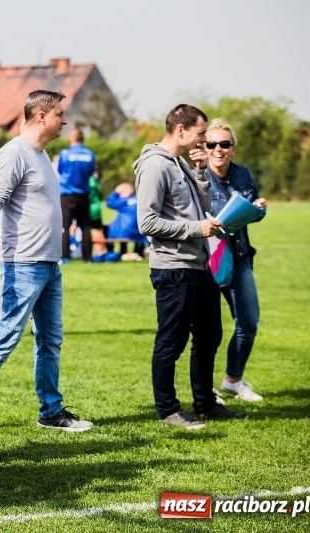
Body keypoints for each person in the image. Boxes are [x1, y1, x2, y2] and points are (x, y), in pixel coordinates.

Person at [0, 90, 93, 433]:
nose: (64, 121)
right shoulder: (14, 154)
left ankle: (50, 412)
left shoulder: (42, 155)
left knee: (51, 339)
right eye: (60, 114)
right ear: (41, 116)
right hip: (22, 263)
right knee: (7, 334)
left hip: (50, 264)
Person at [134, 104, 245, 430]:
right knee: (172, 339)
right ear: (180, 130)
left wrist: (199, 173)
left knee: (210, 334)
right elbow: (147, 221)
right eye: (200, 133)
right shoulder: (155, 166)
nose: (204, 140)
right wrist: (197, 229)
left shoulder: (180, 163)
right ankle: (168, 410)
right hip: (174, 267)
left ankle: (205, 403)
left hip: (198, 264)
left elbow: (194, 207)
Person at [205, 118, 267, 402]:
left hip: (240, 257)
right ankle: (205, 391)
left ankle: (233, 380)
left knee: (249, 322)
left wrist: (258, 209)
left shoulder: (243, 174)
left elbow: (252, 212)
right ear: (204, 147)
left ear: (233, 148)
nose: (218, 149)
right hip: (208, 262)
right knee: (206, 329)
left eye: (224, 144)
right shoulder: (197, 177)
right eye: (212, 143)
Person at [57, 128, 96, 263]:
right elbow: (91, 172)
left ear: (71, 138)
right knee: (85, 227)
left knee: (64, 227)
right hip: (83, 194)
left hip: (67, 194)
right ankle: (88, 257)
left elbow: (60, 170)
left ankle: (65, 256)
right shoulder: (90, 154)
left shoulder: (65, 153)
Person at [105, 183, 148, 258]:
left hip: (124, 232)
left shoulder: (125, 201)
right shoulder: (138, 200)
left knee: (107, 227)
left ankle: (112, 252)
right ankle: (138, 252)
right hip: (139, 232)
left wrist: (115, 192)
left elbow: (109, 203)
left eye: (120, 193)